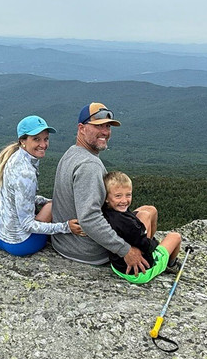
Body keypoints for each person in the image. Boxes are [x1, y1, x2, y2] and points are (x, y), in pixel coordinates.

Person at [51, 103, 149, 274]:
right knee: (147, 214)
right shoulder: (90, 165)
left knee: (147, 210)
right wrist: (125, 250)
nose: (105, 132)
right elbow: (89, 218)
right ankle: (149, 258)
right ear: (81, 128)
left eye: (108, 126)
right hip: (87, 251)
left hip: (63, 243)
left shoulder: (71, 153)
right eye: (98, 126)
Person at [0, 115, 83, 255]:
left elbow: (18, 198)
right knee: (53, 206)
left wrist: (43, 200)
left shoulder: (13, 157)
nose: (43, 145)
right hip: (20, 244)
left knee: (50, 203)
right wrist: (66, 227)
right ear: (22, 141)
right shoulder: (26, 173)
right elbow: (27, 225)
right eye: (36, 139)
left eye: (46, 139)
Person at [101, 171, 182, 284]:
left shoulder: (104, 211)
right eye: (118, 196)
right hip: (139, 273)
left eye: (128, 195)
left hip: (117, 265)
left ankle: (151, 240)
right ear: (106, 197)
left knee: (149, 211)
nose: (124, 200)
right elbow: (147, 246)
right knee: (175, 237)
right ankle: (171, 264)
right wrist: (153, 244)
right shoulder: (129, 225)